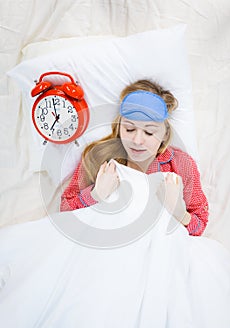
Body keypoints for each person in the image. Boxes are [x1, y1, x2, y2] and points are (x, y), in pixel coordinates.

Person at [60, 79, 209, 236]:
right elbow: (64, 209)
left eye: (149, 132)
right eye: (129, 129)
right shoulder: (98, 156)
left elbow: (200, 226)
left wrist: (179, 213)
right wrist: (95, 195)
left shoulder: (182, 165)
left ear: (165, 134)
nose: (137, 141)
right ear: (119, 126)